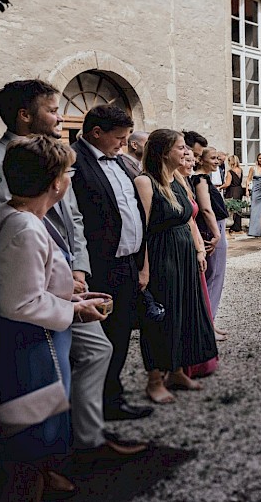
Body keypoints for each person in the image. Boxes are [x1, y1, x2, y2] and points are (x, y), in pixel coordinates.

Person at [0, 80, 146, 462]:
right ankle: (45, 457)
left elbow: (72, 218)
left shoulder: (59, 158)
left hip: (65, 282)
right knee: (38, 380)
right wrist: (66, 298)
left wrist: (77, 270)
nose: (60, 115)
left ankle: (84, 436)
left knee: (94, 353)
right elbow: (10, 247)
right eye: (52, 109)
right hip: (37, 294)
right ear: (25, 114)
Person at [0, 135, 112, 499]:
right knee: (37, 414)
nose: (69, 180)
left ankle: (41, 473)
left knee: (32, 410)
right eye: (68, 174)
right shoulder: (26, 228)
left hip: (20, 332)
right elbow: (21, 301)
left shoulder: (2, 216)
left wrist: (65, 289)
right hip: (34, 338)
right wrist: (74, 309)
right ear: (55, 184)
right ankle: (32, 480)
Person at [70, 104, 154, 421]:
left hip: (126, 264)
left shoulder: (120, 162)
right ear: (96, 133)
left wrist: (141, 261)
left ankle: (111, 398)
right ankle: (89, 407)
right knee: (94, 342)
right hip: (96, 268)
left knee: (119, 334)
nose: (123, 143)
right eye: (118, 137)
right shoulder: (75, 161)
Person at [135, 129, 217, 403]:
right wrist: (143, 268)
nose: (187, 153)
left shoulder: (179, 179)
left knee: (184, 312)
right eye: (180, 148)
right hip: (161, 256)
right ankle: (155, 380)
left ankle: (178, 371)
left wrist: (197, 250)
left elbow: (189, 219)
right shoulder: (145, 182)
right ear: (163, 151)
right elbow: (141, 230)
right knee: (162, 318)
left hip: (184, 254)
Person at [177, 148, 220, 379]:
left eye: (192, 159)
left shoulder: (184, 182)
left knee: (198, 299)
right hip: (180, 248)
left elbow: (192, 219)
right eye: (186, 159)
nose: (190, 163)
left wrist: (200, 250)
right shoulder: (186, 181)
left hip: (194, 247)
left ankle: (199, 358)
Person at [191, 147, 231, 336]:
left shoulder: (204, 179)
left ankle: (208, 323)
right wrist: (216, 235)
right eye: (213, 158)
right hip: (212, 229)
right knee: (214, 277)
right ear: (201, 160)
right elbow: (206, 210)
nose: (217, 161)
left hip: (214, 227)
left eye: (218, 158)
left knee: (212, 277)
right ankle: (208, 324)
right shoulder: (201, 180)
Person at [222, 154, 244, 234]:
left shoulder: (230, 172)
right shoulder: (240, 170)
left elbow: (227, 184)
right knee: (238, 209)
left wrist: (220, 187)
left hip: (232, 190)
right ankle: (238, 227)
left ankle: (232, 227)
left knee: (231, 208)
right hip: (239, 189)